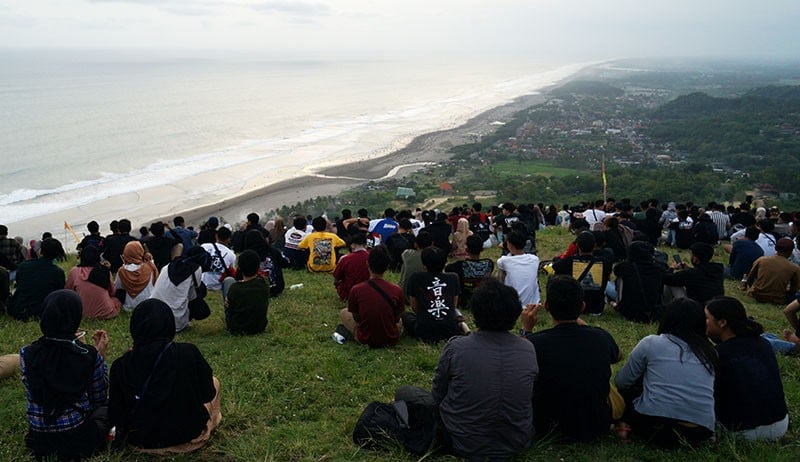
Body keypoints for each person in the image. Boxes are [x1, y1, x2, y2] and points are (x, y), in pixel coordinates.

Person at [432, 278, 538, 460]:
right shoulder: (527, 348)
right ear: (514, 314)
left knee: (407, 394)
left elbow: (437, 395)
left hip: (460, 441)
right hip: (516, 442)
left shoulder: (457, 348)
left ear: (475, 313)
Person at [109, 299, 221, 453]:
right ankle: (208, 425)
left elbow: (116, 414)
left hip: (140, 443)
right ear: (169, 324)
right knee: (215, 382)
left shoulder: (120, 365)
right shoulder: (188, 352)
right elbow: (207, 393)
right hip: (188, 437)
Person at [521, 275, 621, 441]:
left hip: (548, 426)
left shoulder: (534, 343)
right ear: (582, 306)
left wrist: (526, 330)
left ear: (546, 306)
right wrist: (587, 328)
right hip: (597, 424)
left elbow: (519, 365)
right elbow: (617, 356)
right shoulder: (601, 337)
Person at [20, 290, 111, 461]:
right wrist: (98, 354)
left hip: (39, 439)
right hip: (77, 438)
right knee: (108, 406)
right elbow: (98, 398)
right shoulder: (89, 356)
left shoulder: (27, 353)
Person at [614, 298, 717, 448]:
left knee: (627, 392)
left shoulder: (651, 343)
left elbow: (622, 382)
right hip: (700, 432)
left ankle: (623, 424)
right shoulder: (710, 351)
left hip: (654, 426)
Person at [704, 296, 788, 440]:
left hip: (742, 431)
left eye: (706, 318)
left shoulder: (718, 353)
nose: (703, 323)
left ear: (722, 322)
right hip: (780, 424)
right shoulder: (764, 343)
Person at [338, 246, 405, 347]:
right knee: (400, 321)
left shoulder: (356, 289)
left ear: (367, 264)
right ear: (387, 267)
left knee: (344, 312)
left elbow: (356, 318)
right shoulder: (397, 290)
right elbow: (397, 318)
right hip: (391, 338)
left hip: (365, 338)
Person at [402, 247, 465, 342]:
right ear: (444, 263)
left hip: (423, 330)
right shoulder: (453, 278)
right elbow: (453, 306)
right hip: (450, 330)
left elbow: (415, 308)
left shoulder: (415, 278)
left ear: (424, 265)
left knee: (405, 316)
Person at [150, 246, 212, 332]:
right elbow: (193, 297)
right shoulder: (196, 269)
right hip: (176, 323)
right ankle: (186, 320)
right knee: (201, 289)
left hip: (154, 315)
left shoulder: (167, 266)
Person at [552, 231, 610, 315]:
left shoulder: (570, 261)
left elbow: (555, 267)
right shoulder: (605, 262)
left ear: (577, 246)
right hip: (596, 308)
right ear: (594, 245)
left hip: (575, 306)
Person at [8, 238, 66, 320]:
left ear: (41, 250)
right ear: (57, 255)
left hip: (19, 310)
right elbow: (59, 292)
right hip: (43, 311)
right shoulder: (58, 272)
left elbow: (19, 284)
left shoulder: (24, 265)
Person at [612, 241, 666, 322]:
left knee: (614, 282)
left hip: (628, 311)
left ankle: (618, 304)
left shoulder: (624, 267)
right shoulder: (658, 269)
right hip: (651, 308)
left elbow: (616, 271)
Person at [65, 245, 121, 320]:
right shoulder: (105, 271)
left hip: (81, 313)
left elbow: (68, 291)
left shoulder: (75, 272)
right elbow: (112, 292)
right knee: (116, 300)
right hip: (106, 313)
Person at [223, 250, 269, 335]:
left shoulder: (234, 288)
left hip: (236, 329)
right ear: (258, 266)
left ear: (239, 267)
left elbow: (229, 307)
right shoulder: (264, 283)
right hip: (259, 327)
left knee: (228, 280)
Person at [742, 237, 800, 304]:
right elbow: (794, 289)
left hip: (757, 295)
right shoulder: (794, 268)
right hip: (778, 299)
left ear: (775, 248)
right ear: (791, 252)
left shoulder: (762, 260)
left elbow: (750, 277)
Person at [445, 235, 495, 309]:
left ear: (467, 249)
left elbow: (447, 269)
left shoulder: (459, 265)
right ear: (482, 249)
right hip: (483, 298)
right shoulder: (489, 263)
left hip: (465, 300)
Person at [496, 230, 541, 307]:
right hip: (533, 303)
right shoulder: (535, 259)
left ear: (511, 245)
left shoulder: (504, 260)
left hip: (513, 303)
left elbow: (500, 280)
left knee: (500, 274)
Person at [242, 229, 291, 297]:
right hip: (275, 289)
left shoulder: (245, 256)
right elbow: (286, 263)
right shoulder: (273, 251)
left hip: (252, 291)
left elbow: (239, 275)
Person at [115, 241, 159, 312]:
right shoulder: (150, 266)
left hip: (129, 306)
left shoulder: (122, 271)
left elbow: (118, 287)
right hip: (149, 304)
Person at [332, 233, 370, 301]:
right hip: (368, 293)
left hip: (348, 294)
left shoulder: (345, 259)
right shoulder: (371, 258)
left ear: (353, 245)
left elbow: (336, 278)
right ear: (365, 245)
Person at [200, 226, 236, 294]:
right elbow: (231, 271)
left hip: (202, 283)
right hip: (218, 286)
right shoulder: (231, 255)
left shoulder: (204, 247)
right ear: (229, 239)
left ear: (216, 236)